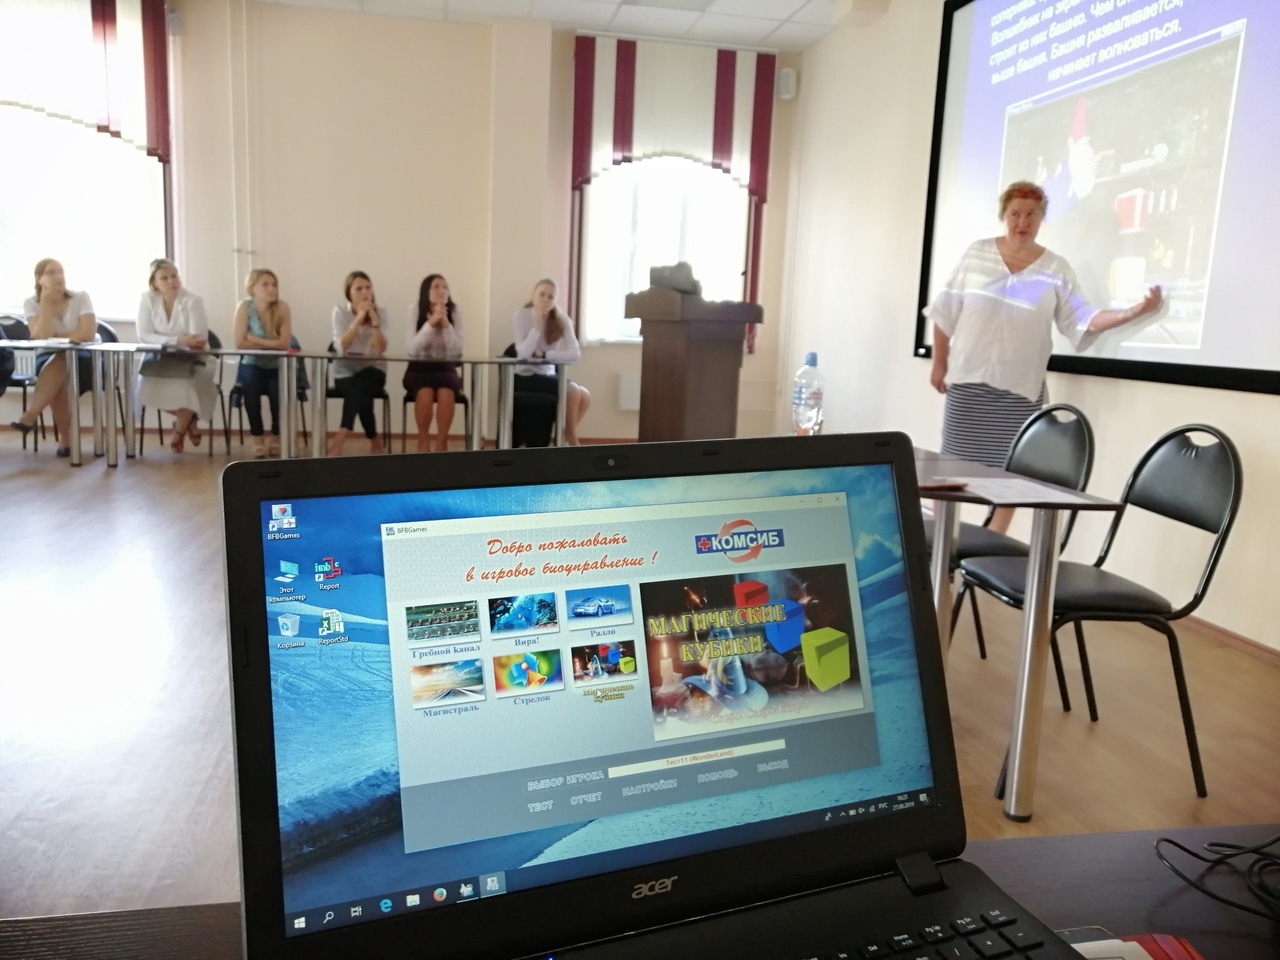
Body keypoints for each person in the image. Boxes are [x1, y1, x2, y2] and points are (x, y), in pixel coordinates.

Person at [929, 180, 1162, 532]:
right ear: (1004, 215)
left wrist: (1133, 312)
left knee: (1009, 477)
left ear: (1041, 218)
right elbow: (945, 311)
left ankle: (992, 543)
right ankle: (941, 545)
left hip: (1018, 393)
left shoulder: (1056, 268)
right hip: (968, 384)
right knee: (950, 470)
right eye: (1015, 214)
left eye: (1032, 214)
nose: (1022, 222)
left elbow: (1083, 318)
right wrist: (939, 363)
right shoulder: (976, 254)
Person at [7, 259, 99, 457]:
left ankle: (33, 416)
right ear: (39, 279)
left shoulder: (80, 297)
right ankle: (67, 440)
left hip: (83, 355)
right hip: (47, 356)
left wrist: (56, 337)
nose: (58, 276)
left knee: (61, 359)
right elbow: (41, 336)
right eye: (51, 273)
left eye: (61, 271)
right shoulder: (31, 303)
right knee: (59, 375)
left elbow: (87, 334)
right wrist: (46, 304)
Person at [136, 258, 217, 453]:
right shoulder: (147, 299)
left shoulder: (192, 300)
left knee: (186, 386)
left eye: (174, 276)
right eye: (164, 278)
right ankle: (189, 420)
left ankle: (179, 432)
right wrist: (179, 340)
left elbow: (198, 338)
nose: (171, 281)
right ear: (154, 282)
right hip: (161, 359)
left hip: (194, 359)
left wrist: (168, 341)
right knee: (144, 388)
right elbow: (144, 335)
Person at [511, 279, 590, 445]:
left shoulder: (561, 320)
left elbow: (575, 354)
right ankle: (571, 440)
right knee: (573, 390)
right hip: (525, 375)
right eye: (542, 294)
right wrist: (537, 326)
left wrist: (545, 355)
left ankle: (565, 434)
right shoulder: (521, 316)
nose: (545, 300)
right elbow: (523, 353)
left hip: (547, 374)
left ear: (555, 301)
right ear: (533, 296)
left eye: (550, 297)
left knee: (585, 396)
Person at [233, 268, 293, 459]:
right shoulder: (244, 307)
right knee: (250, 387)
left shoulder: (282, 308)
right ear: (252, 288)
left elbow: (284, 344)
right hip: (252, 362)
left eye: (274, 285)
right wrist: (272, 343)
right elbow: (240, 343)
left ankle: (275, 437)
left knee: (279, 393)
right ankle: (257, 438)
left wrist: (255, 339)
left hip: (276, 364)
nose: (271, 289)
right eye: (265, 285)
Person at [330, 270, 388, 456]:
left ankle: (340, 437)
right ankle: (375, 441)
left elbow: (380, 349)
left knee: (359, 387)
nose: (365, 293)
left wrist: (375, 322)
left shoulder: (382, 313)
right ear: (349, 293)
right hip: (345, 371)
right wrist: (357, 319)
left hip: (373, 370)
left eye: (368, 288)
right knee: (361, 394)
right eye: (359, 289)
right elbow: (341, 346)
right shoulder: (340, 312)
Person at [404, 274, 463, 452]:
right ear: (426, 291)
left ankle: (441, 443)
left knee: (446, 394)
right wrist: (431, 323)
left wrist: (445, 324)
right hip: (419, 368)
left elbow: (457, 352)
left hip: (446, 368)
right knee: (425, 393)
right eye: (436, 286)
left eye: (445, 287)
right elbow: (412, 349)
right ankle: (423, 441)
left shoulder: (455, 311)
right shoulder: (415, 309)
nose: (442, 290)